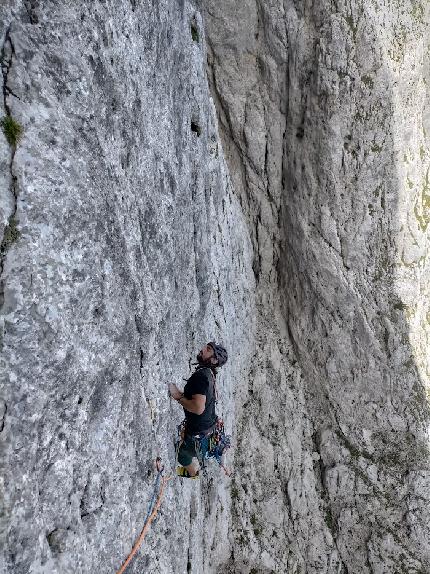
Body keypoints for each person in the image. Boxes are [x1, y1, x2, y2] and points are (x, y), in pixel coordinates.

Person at [169, 342, 228, 477]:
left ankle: (193, 474)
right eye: (205, 347)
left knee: (182, 455)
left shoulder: (202, 376)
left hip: (199, 435)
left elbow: (197, 408)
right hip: (208, 431)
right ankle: (193, 469)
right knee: (187, 446)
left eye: (207, 350)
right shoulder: (209, 374)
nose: (202, 350)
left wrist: (178, 397)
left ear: (213, 360)